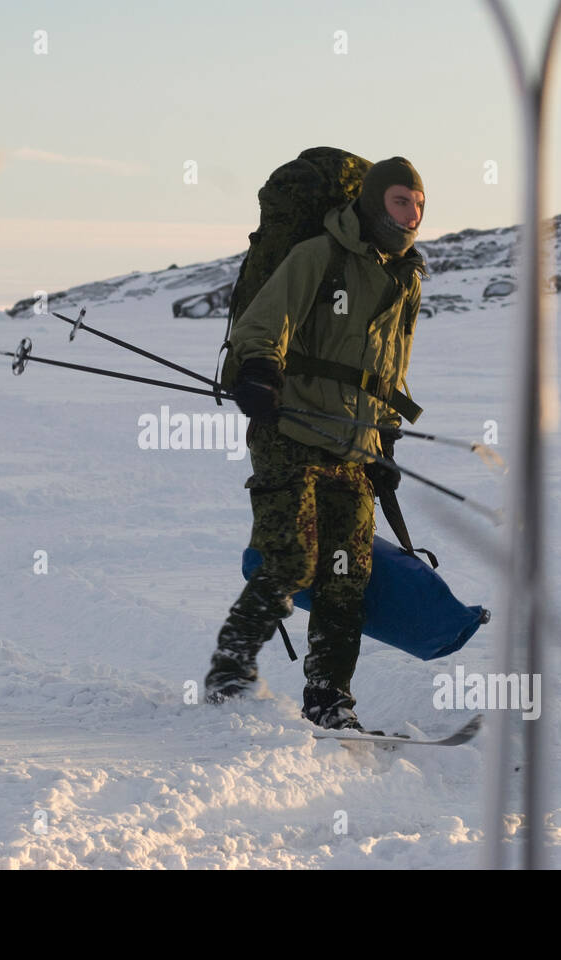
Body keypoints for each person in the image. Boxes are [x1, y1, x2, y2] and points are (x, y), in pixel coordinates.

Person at [204, 157, 428, 731]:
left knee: (347, 577)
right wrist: (257, 370)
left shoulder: (406, 278)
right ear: (376, 202)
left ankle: (330, 700)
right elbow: (263, 322)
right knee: (290, 562)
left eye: (419, 204)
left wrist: (385, 445)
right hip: (292, 434)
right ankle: (229, 672)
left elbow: (387, 372)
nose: (412, 213)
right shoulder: (320, 255)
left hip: (354, 448)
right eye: (401, 201)